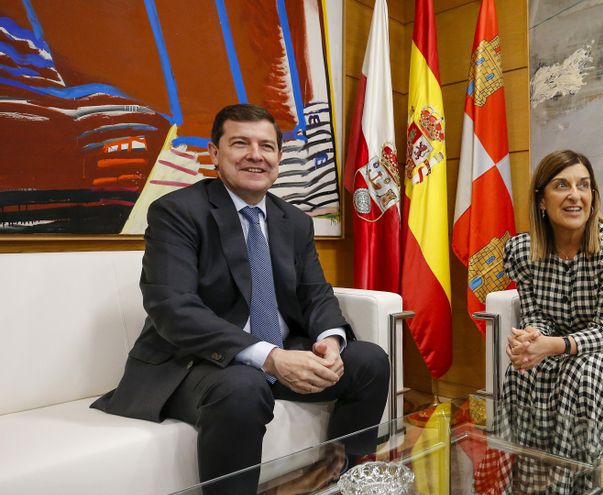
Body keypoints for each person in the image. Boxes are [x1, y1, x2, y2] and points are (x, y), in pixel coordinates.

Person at [92, 103, 389, 494]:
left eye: (267, 146)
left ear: (280, 157)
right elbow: (174, 310)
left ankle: (340, 479)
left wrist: (330, 343)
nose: (255, 155)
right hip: (193, 363)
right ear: (215, 154)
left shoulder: (293, 221)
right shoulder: (177, 213)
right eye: (240, 143)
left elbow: (316, 294)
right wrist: (270, 356)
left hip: (277, 354)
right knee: (242, 386)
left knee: (369, 360)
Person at [502, 149, 603, 494]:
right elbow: (536, 314)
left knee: (584, 371)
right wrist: (531, 338)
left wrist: (553, 346)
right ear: (541, 200)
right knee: (522, 368)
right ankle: (528, 483)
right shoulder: (523, 251)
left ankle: (577, 485)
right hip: (571, 344)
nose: (576, 196)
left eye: (584, 186)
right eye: (562, 185)